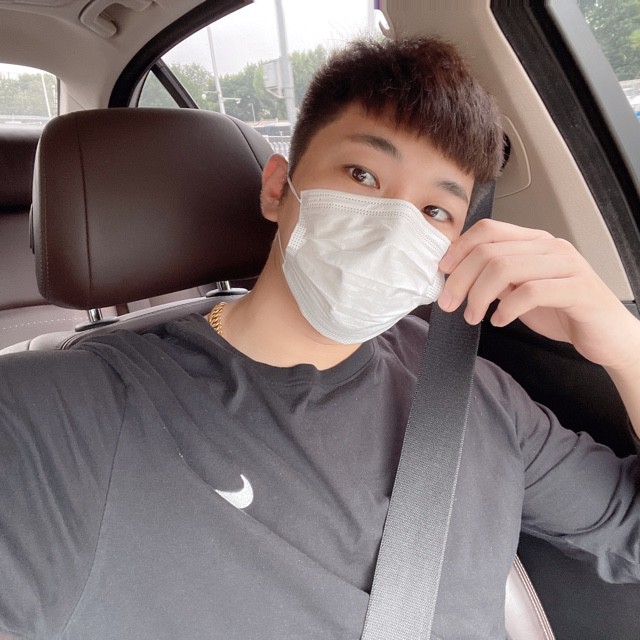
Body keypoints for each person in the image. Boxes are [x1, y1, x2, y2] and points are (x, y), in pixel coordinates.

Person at [1, 36, 640, 640]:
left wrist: (622, 344)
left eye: (435, 211)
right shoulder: (60, 415)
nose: (394, 224)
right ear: (278, 188)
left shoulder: (474, 393)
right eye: (362, 175)